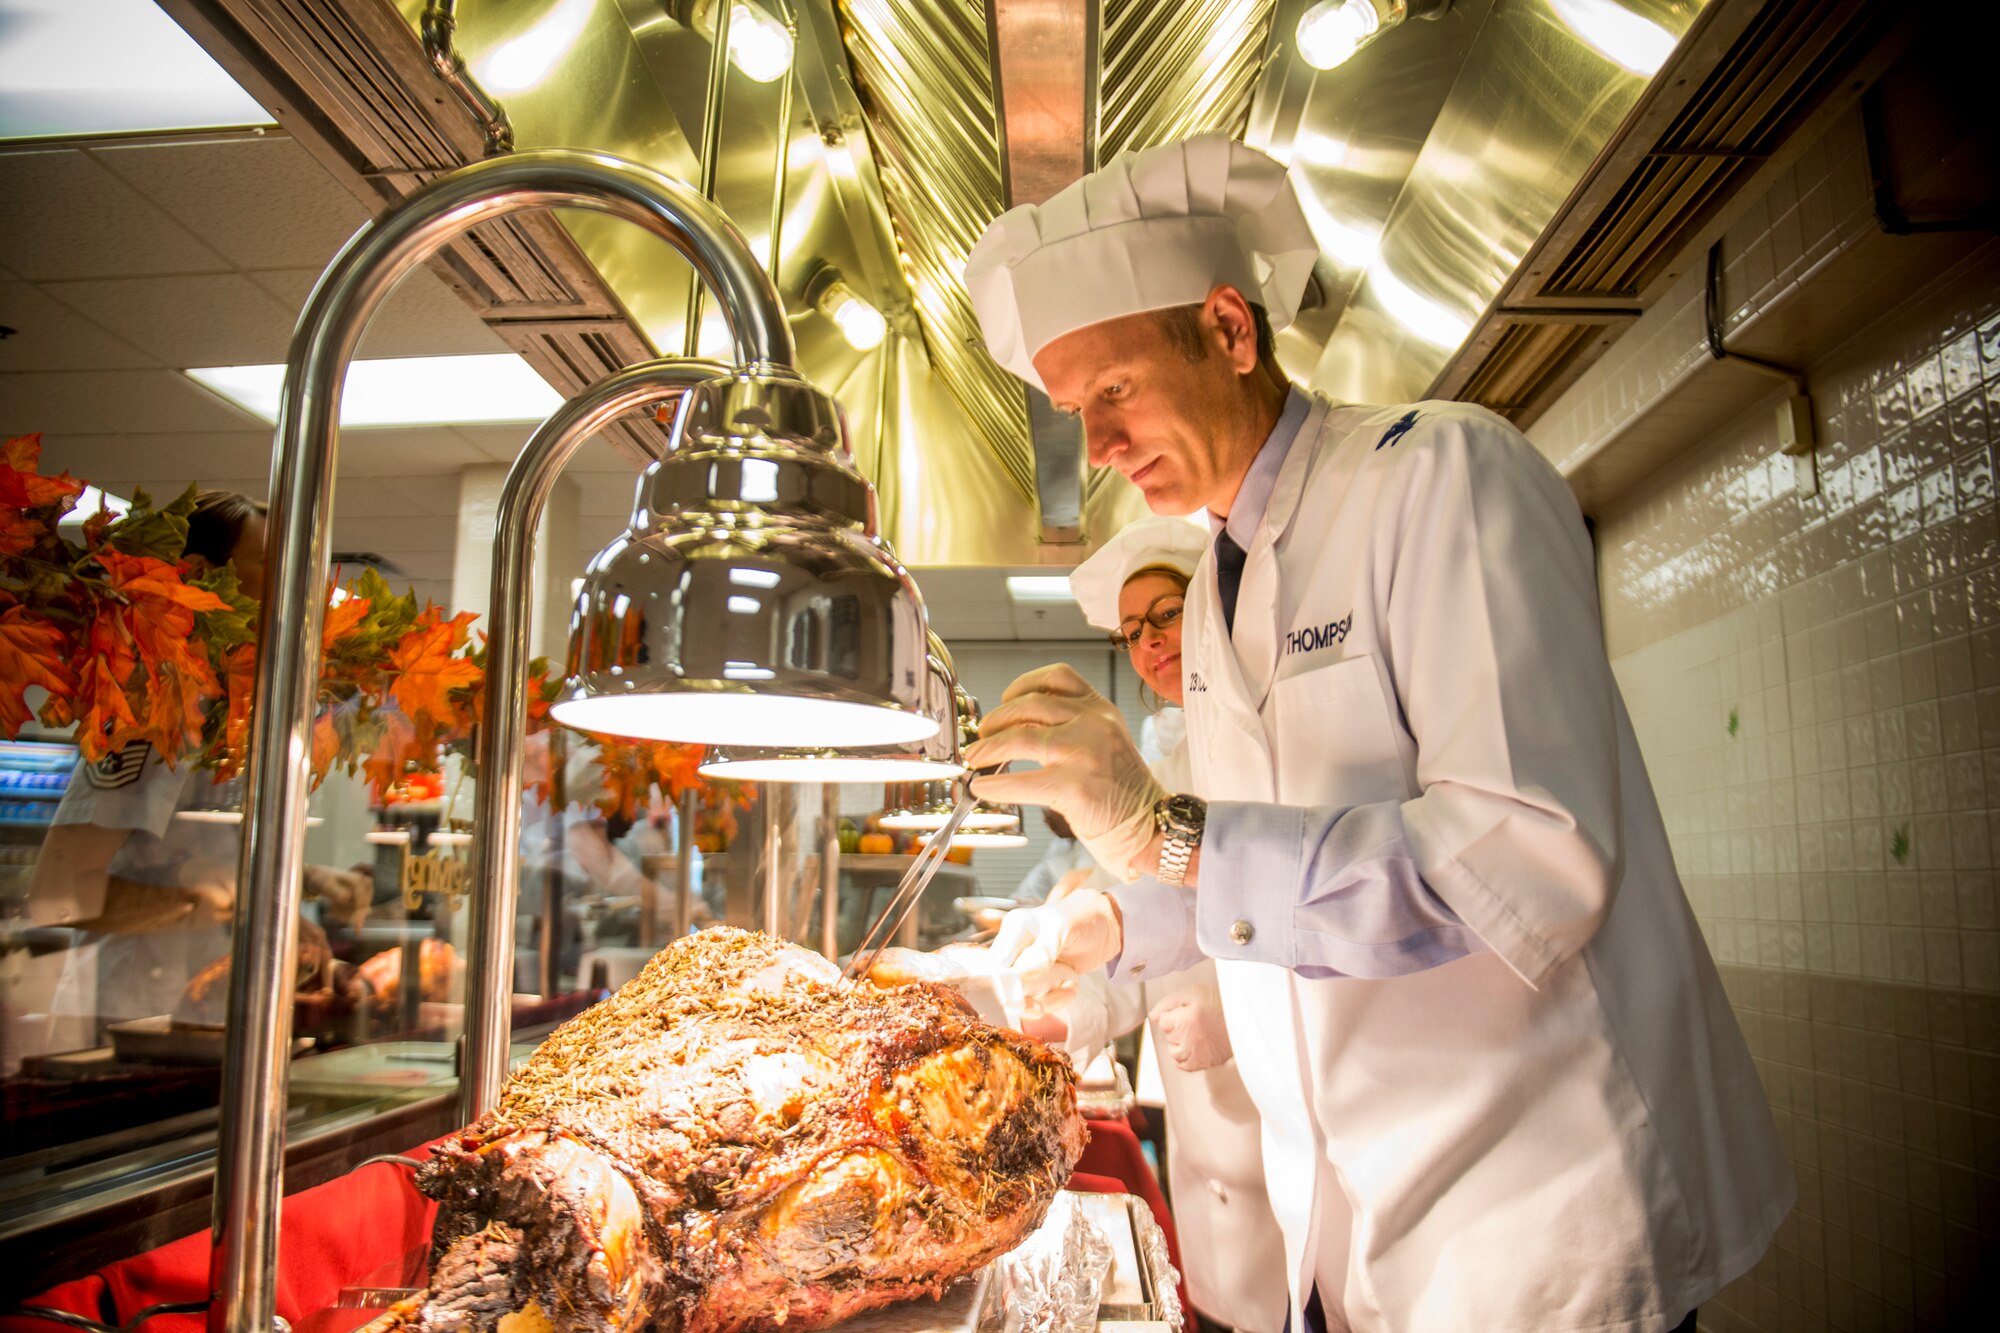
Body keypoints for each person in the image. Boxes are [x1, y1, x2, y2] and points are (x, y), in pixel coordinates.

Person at [962, 135, 1792, 1333]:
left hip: (1533, 1212)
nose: (1091, 447)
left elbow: (1526, 860)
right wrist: (1112, 916)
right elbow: (1268, 869)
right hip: (1349, 1217)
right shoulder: (1211, 591)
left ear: (1230, 329)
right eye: (1069, 410)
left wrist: (1164, 832)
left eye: (1111, 391)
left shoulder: (1442, 475)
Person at [1017, 516, 1285, 1333]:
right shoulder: (1158, 775)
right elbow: (1133, 947)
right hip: (1204, 1131)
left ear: (1213, 607)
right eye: (1132, 629)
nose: (1149, 642)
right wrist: (1053, 1014)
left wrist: (1235, 1013)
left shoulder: (1280, 747)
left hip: (1289, 1125)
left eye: (1166, 613)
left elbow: (1325, 899)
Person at [1011, 807, 1094, 903]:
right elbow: (1034, 885)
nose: (1045, 820)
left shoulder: (1101, 845)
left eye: (1049, 815)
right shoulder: (1059, 845)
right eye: (1044, 814)